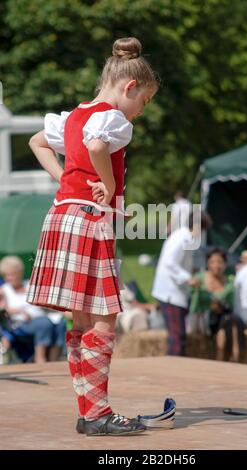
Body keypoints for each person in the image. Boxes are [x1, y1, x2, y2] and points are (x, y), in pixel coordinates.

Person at [26, 37, 158, 436]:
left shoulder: (74, 116)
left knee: (81, 319)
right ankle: (98, 414)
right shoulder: (113, 119)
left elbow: (36, 142)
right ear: (130, 87)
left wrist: (65, 179)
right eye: (145, 102)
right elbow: (99, 146)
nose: (141, 111)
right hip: (90, 219)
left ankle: (89, 412)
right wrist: (106, 181)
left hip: (62, 214)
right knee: (104, 318)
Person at [0, 256, 65, 363]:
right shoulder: (4, 290)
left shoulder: (29, 285)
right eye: (6, 275)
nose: (8, 278)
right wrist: (20, 311)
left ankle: (54, 359)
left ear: (19, 273)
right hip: (20, 323)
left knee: (60, 323)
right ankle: (40, 358)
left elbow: (43, 304)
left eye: (11, 274)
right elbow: (3, 309)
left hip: (41, 317)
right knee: (44, 323)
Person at [152, 211, 199, 356]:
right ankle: (172, 371)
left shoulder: (183, 237)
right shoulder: (183, 237)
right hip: (171, 294)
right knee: (177, 338)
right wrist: (187, 278)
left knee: (178, 336)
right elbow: (169, 263)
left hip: (174, 293)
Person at [189, 249, 244, 362]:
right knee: (229, 321)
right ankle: (233, 357)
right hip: (203, 318)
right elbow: (194, 303)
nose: (216, 265)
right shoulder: (199, 278)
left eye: (219, 262)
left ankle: (232, 356)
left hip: (222, 319)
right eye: (213, 262)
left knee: (229, 321)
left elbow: (230, 306)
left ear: (225, 264)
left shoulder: (228, 281)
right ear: (208, 263)